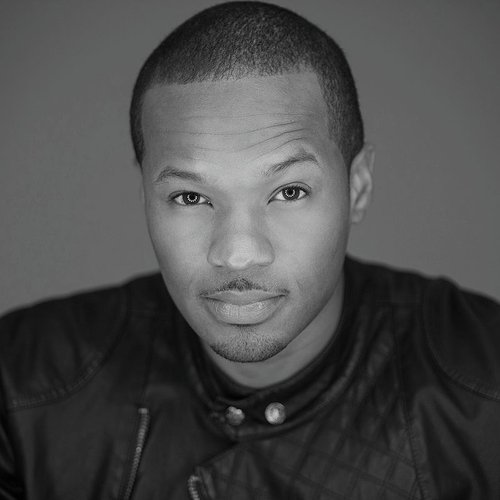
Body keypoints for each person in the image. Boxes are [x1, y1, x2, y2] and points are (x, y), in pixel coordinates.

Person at [1, 2, 499, 499]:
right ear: (146, 198)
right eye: (190, 197)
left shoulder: (485, 396)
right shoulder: (21, 385)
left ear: (358, 188)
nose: (238, 254)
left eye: (289, 192)